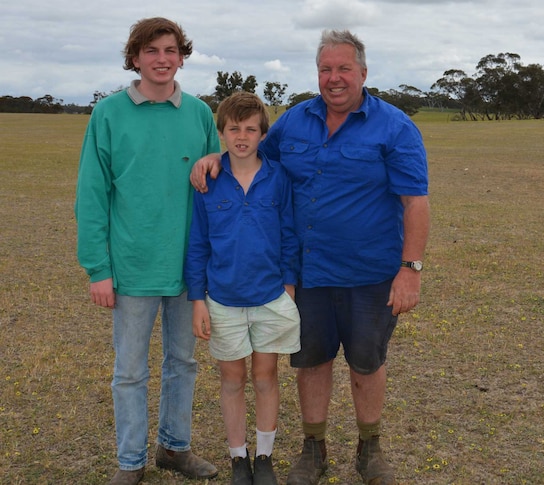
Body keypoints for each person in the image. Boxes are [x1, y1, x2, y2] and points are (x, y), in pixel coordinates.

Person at [191, 29, 430, 485]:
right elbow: (252, 155)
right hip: (309, 273)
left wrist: (410, 270)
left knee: (367, 362)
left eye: (344, 69)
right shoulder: (294, 121)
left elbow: (415, 203)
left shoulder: (396, 127)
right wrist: (214, 159)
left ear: (363, 72)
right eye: (326, 69)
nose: (334, 78)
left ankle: (370, 447)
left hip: (370, 274)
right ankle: (313, 448)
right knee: (311, 362)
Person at [74, 17, 221, 485]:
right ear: (135, 57)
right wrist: (98, 268)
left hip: (188, 268)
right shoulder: (109, 113)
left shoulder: (199, 113)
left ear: (182, 56)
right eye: (152, 50)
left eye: (171, 50)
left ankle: (174, 449)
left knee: (184, 362)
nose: (162, 59)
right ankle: (130, 461)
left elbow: (218, 188)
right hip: (132, 266)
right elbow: (92, 195)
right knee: (130, 372)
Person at [184, 91, 301, 485]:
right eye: (234, 128)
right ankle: (238, 458)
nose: (242, 136)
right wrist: (198, 299)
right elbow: (197, 243)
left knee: (266, 376)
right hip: (223, 300)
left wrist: (289, 288)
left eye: (251, 129)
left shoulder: (278, 177)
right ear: (221, 132)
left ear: (262, 133)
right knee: (232, 379)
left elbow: (289, 236)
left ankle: (264, 456)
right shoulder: (209, 180)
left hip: (270, 297)